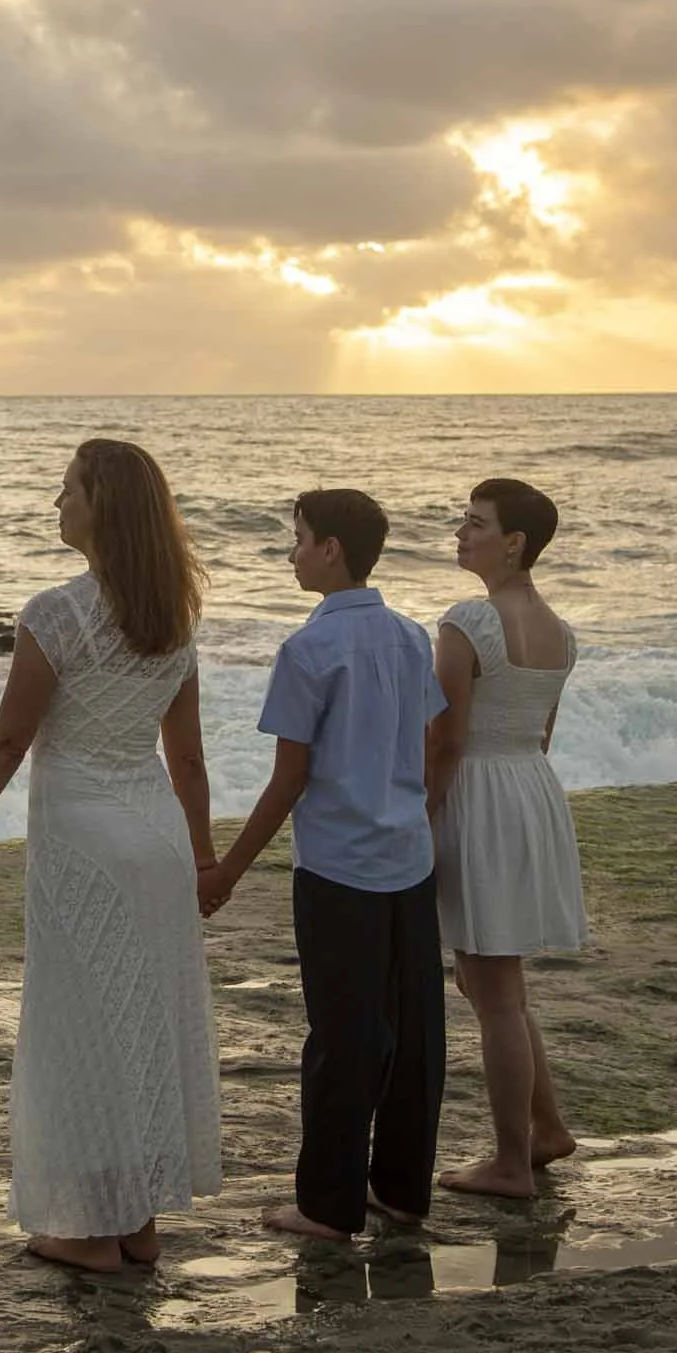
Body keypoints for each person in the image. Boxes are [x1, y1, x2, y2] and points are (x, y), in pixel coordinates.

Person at [0, 440, 223, 1274]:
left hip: (84, 842)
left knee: (83, 1026)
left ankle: (87, 1234)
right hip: (154, 838)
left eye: (69, 489)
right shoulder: (174, 617)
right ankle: (138, 1220)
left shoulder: (57, 612)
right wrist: (202, 857)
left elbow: (10, 739)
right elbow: (187, 760)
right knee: (142, 1022)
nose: (57, 501)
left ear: (102, 508)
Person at [201, 490, 446, 1242]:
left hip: (340, 867)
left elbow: (289, 778)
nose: (291, 552)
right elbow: (432, 743)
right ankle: (402, 1191)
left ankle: (328, 1205)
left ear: (333, 548)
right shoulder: (409, 636)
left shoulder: (308, 650)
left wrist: (228, 869)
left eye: (299, 538)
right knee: (411, 1032)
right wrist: (410, 814)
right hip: (408, 856)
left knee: (342, 1036)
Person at [427, 477, 586, 1199]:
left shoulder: (468, 622)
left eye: (475, 522)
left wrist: (425, 816)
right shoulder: (561, 632)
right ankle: (545, 1128)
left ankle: (510, 1161)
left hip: (479, 794)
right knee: (497, 982)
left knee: (492, 991)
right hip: (529, 790)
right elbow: (542, 734)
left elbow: (446, 739)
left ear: (513, 542)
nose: (461, 532)